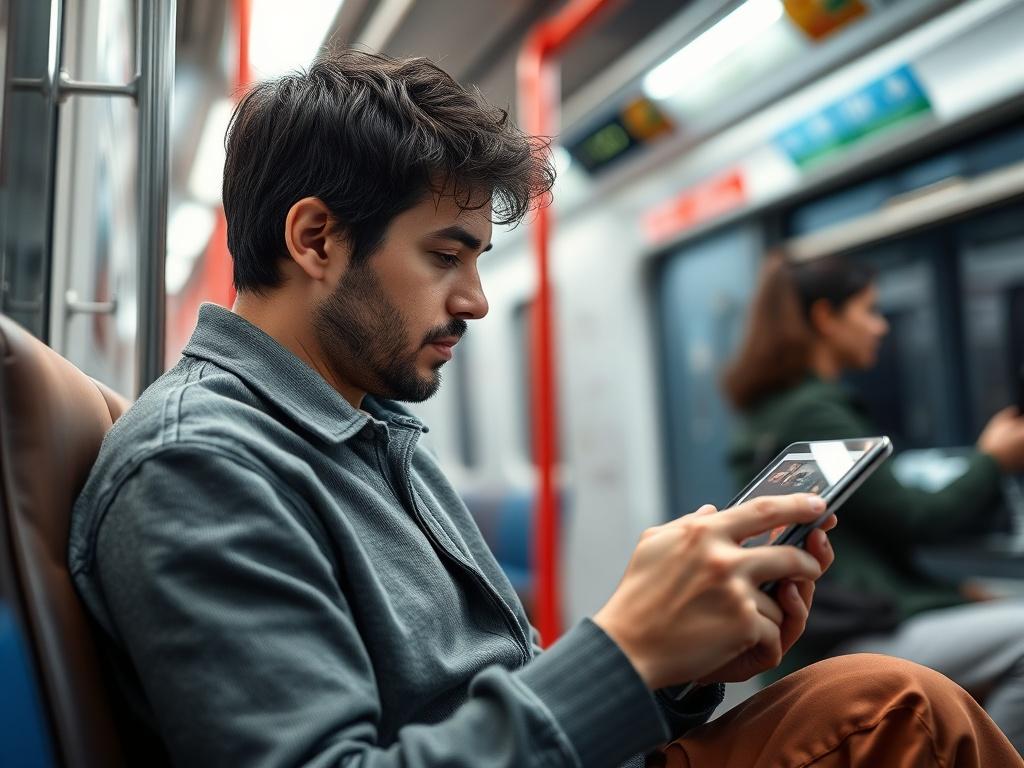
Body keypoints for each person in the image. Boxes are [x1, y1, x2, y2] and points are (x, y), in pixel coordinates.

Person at [68, 51, 1021, 767]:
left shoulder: (370, 429)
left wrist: (674, 664)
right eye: (446, 255)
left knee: (883, 702)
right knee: (894, 711)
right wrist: (623, 647)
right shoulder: (199, 467)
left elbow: (488, 694)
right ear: (316, 238)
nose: (476, 300)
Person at [723, 252, 1024, 753]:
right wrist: (992, 460)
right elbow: (914, 518)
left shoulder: (773, 411)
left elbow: (865, 545)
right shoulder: (814, 413)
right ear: (825, 318)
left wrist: (954, 592)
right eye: (868, 310)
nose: (881, 327)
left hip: (826, 629)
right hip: (846, 636)